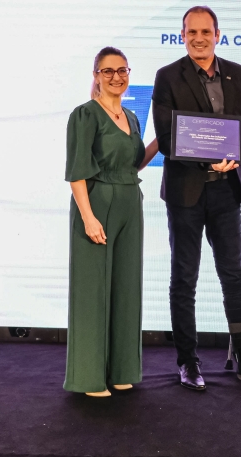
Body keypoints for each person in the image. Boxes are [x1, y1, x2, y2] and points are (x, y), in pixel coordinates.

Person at [151, 6, 241, 391]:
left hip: (227, 193)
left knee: (234, 275)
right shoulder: (167, 76)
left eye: (206, 31)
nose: (199, 38)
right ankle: (188, 361)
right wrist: (214, 158)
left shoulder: (240, 75)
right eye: (192, 32)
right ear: (182, 34)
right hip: (186, 192)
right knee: (184, 279)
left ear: (218, 34)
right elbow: (167, 134)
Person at [64, 46, 159, 397]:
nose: (116, 77)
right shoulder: (85, 115)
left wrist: (165, 138)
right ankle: (88, 377)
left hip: (130, 204)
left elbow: (133, 164)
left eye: (122, 70)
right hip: (97, 204)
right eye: (108, 71)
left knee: (126, 287)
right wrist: (88, 218)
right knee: (93, 291)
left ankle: (121, 369)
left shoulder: (132, 118)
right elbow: (77, 172)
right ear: (96, 75)